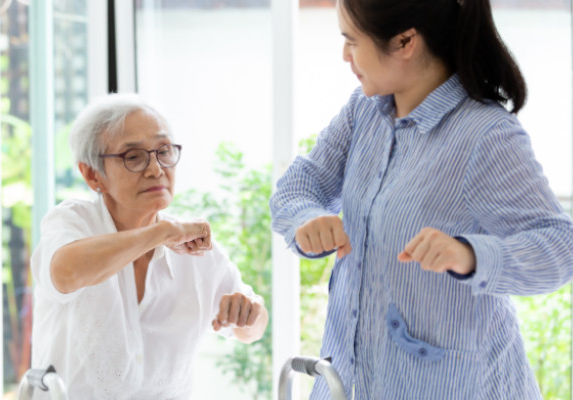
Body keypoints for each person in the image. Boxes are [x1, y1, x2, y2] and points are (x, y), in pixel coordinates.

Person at [270, 0, 573, 399]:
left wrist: (470, 255)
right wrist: (306, 219)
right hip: (353, 384)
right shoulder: (365, 111)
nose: (344, 55)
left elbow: (559, 245)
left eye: (352, 41)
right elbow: (298, 185)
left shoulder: (485, 135)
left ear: (405, 41)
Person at [30, 93, 268, 399]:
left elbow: (253, 326)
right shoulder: (74, 222)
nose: (156, 169)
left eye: (164, 151)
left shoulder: (191, 247)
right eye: (133, 157)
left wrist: (249, 314)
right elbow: (65, 272)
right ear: (92, 175)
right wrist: (161, 233)